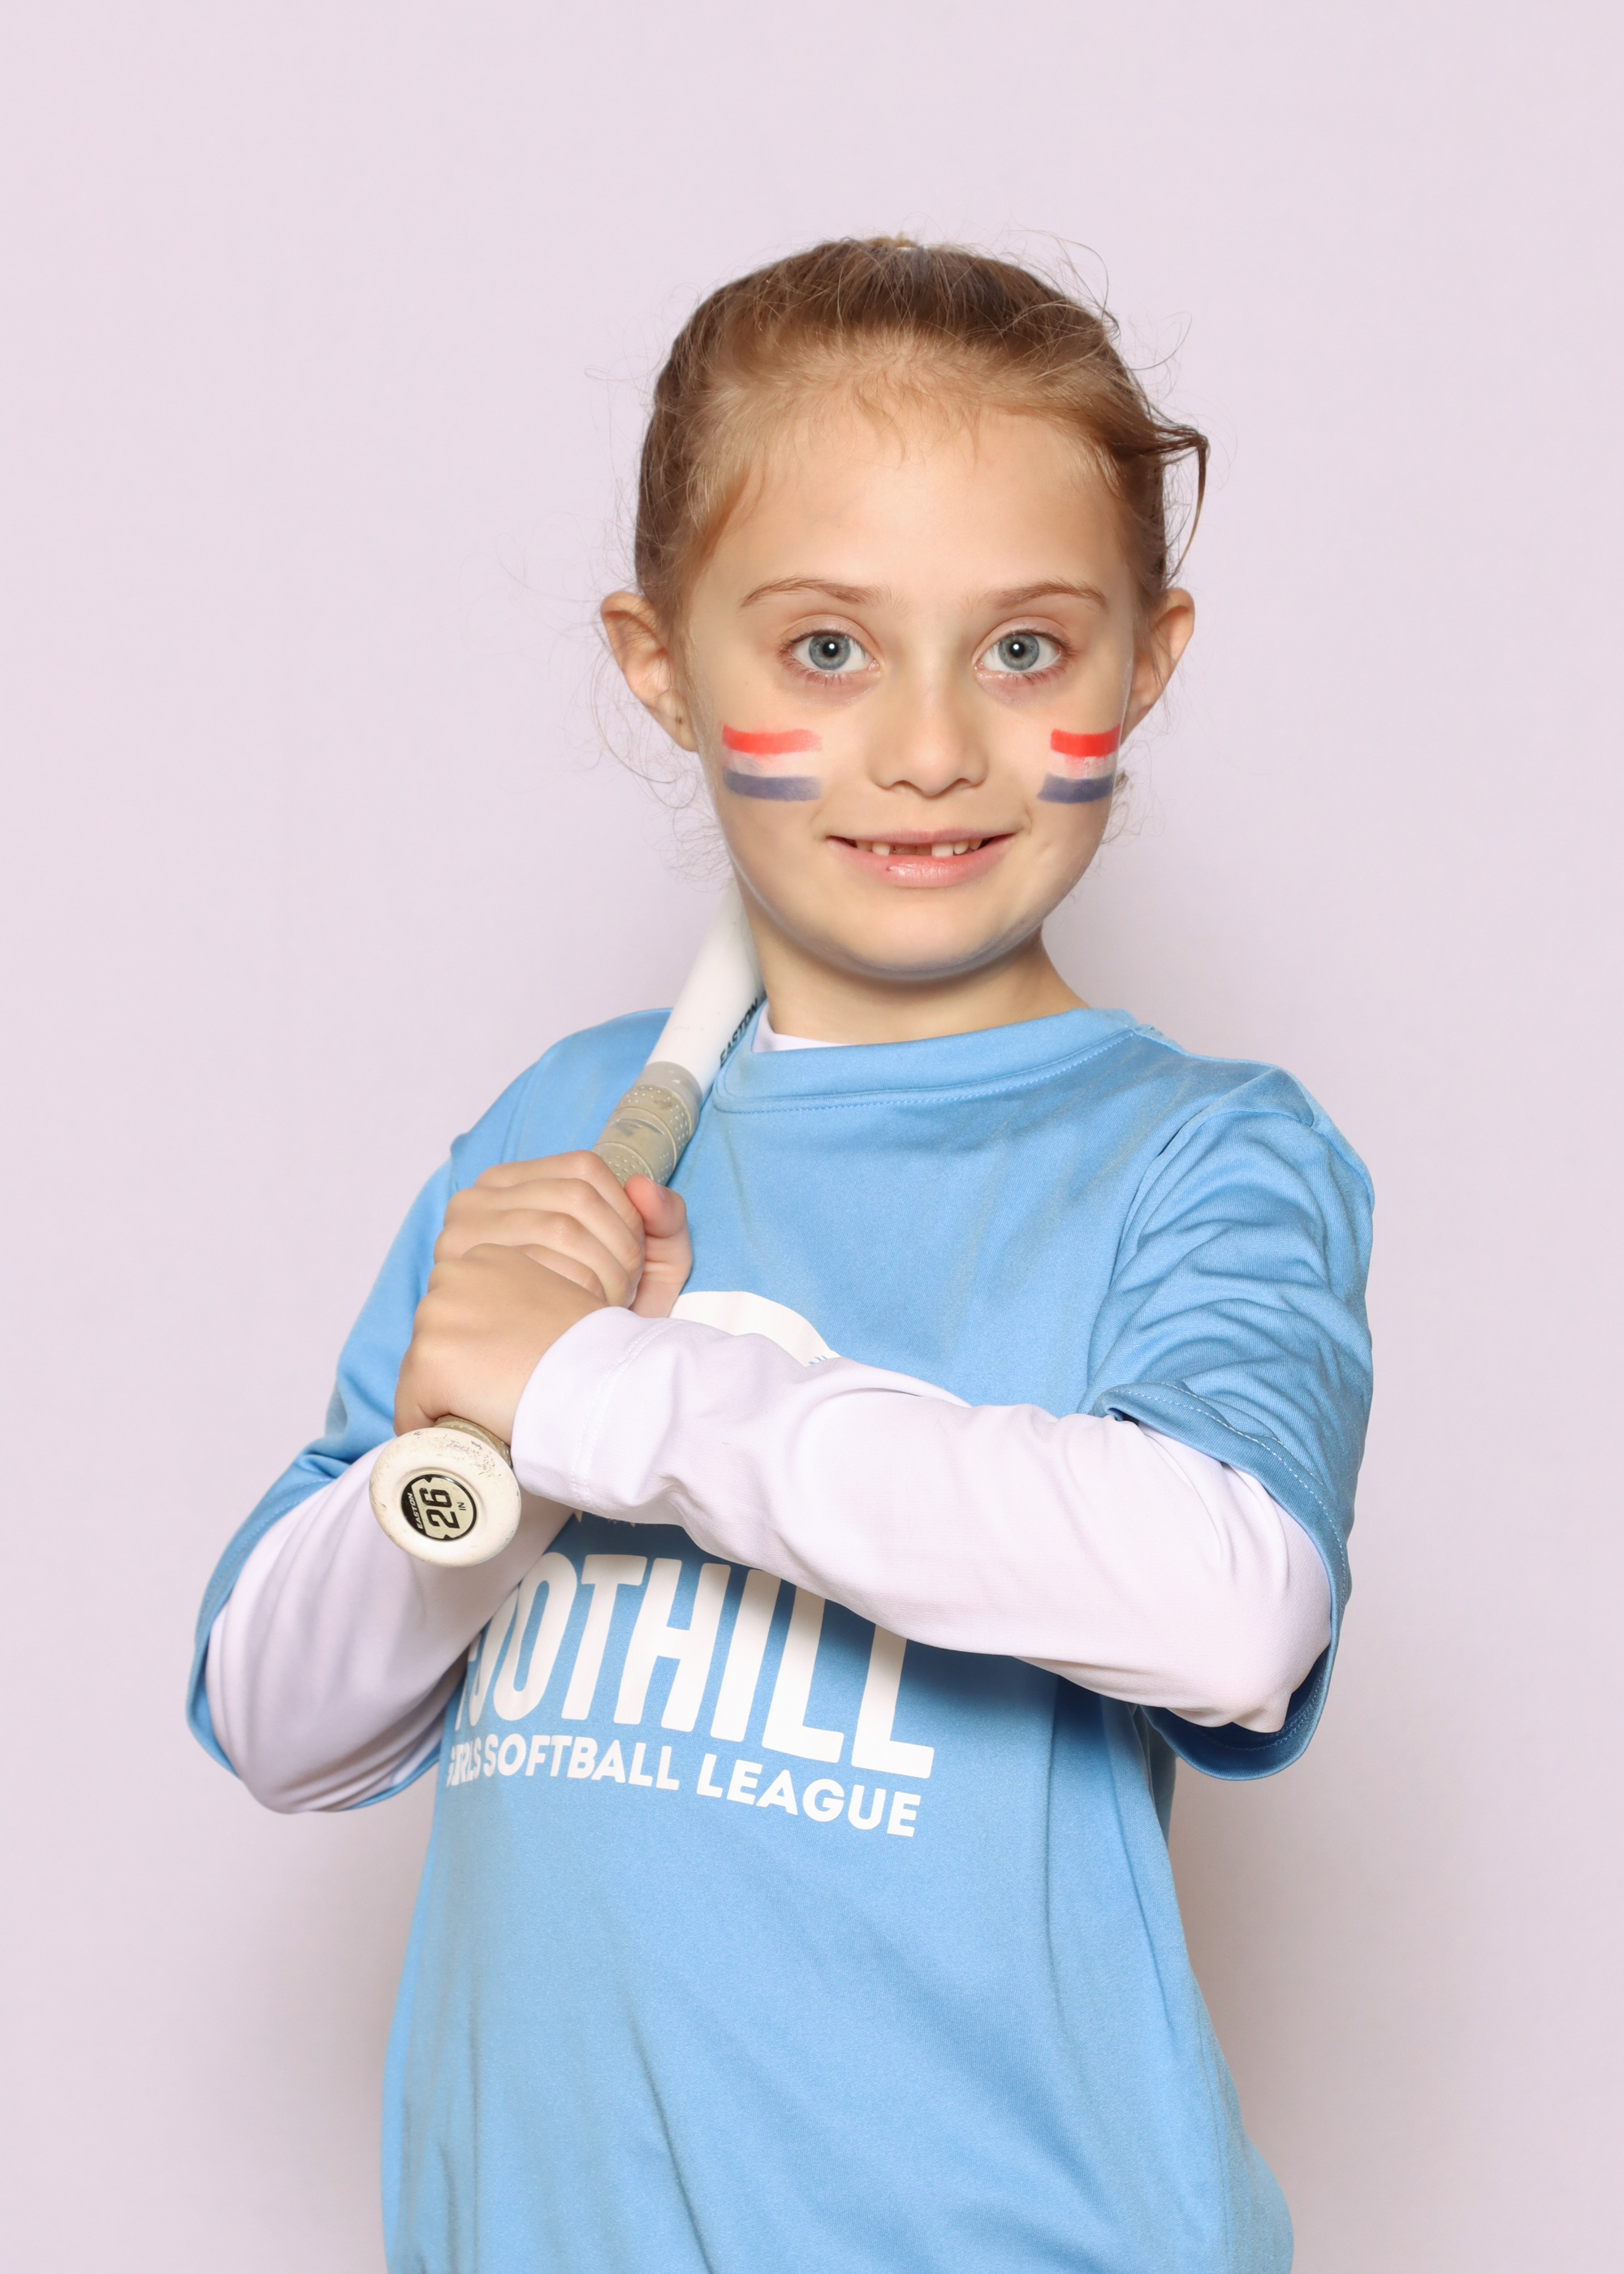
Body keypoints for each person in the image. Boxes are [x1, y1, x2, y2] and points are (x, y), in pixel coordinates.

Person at [189, 239, 1372, 2272]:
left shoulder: (1204, 1153)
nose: (930, 745)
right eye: (826, 647)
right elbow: (282, 1714)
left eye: (1026, 648)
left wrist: (610, 1394)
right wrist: (473, 1468)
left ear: (1148, 657)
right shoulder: (561, 1124)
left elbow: (1231, 1597)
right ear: (660, 663)